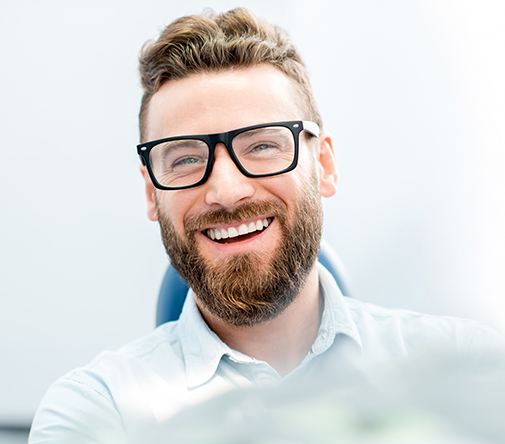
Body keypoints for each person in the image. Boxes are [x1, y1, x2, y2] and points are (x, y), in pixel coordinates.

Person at [29, 7, 504, 443]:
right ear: (153, 192)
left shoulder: (471, 375)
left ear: (326, 165)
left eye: (261, 146)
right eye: (186, 158)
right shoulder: (96, 413)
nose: (226, 190)